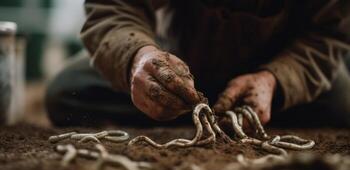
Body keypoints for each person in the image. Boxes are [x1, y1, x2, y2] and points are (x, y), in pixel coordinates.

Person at [46, 0, 350, 127]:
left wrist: (278, 79)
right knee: (69, 92)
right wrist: (138, 57)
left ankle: (233, 114)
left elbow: (330, 33)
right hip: (174, 65)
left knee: (341, 103)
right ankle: (185, 109)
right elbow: (114, 7)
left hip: (275, 76)